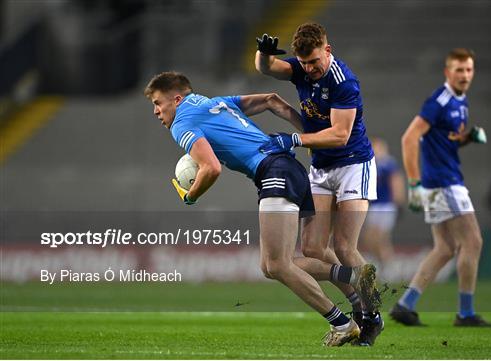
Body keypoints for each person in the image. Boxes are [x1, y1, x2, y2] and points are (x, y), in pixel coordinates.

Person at [143, 71, 378, 346]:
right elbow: (272, 100)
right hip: (290, 169)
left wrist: (191, 195)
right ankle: (355, 291)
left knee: (278, 264)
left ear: (177, 99)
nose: (157, 112)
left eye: (158, 103)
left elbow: (211, 168)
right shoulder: (214, 102)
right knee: (271, 266)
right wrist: (311, 135)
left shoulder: (181, 122)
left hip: (273, 171)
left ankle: (342, 322)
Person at [254, 23, 383, 346]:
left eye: (314, 62)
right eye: (304, 63)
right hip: (323, 168)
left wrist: (294, 138)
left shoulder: (343, 82)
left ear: (328, 49)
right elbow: (269, 69)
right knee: (311, 249)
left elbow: (339, 135)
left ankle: (373, 315)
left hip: (353, 165)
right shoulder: (302, 69)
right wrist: (263, 54)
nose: (310, 69)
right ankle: (357, 299)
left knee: (343, 246)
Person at [389, 48, 491, 327]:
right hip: (444, 182)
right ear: (448, 72)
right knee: (472, 242)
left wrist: (468, 137)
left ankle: (405, 305)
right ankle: (466, 313)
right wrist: (414, 183)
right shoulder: (440, 100)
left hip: (442, 180)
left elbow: (446, 140)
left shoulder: (461, 101)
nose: (465, 75)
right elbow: (409, 138)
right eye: (459, 70)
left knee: (446, 247)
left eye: (469, 69)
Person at [359, 137, 405, 274]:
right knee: (369, 239)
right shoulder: (370, 164)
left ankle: (389, 268)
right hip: (375, 206)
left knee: (379, 238)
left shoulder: (388, 164)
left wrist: (399, 202)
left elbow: (396, 182)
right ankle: (384, 264)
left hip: (386, 206)